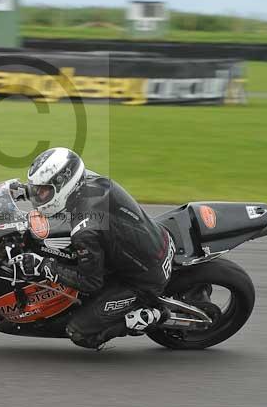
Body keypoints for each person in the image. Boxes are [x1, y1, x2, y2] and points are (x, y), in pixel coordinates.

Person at [12, 147, 176, 349]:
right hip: (147, 241)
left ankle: (154, 314)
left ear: (64, 185)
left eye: (43, 191)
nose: (39, 195)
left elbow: (91, 282)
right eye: (36, 189)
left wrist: (44, 266)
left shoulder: (85, 230)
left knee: (79, 332)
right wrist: (25, 192)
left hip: (142, 279)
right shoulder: (86, 181)